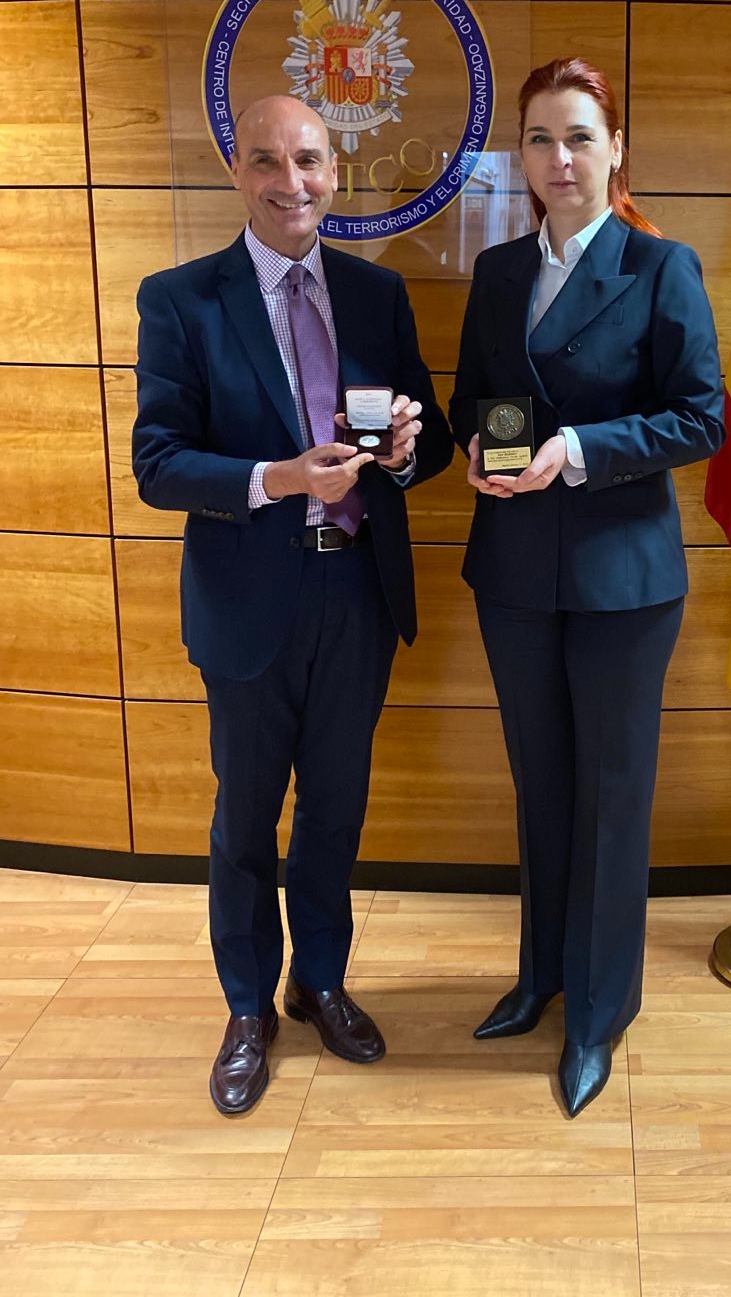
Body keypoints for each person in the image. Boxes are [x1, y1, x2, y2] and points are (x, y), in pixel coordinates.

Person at [133, 94, 454, 1116]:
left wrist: (404, 453)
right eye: (267, 161)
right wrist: (276, 477)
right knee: (245, 816)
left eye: (308, 159)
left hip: (357, 590)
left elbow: (433, 443)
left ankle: (318, 981)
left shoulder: (377, 294)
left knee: (335, 808)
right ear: (238, 171)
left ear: (334, 170)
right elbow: (158, 463)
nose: (291, 181)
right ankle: (246, 1007)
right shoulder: (182, 299)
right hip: (248, 602)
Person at [449, 58, 724, 1117]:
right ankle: (542, 978)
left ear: (616, 152)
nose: (558, 159)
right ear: (520, 156)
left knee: (610, 797)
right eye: (539, 139)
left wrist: (576, 450)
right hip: (515, 572)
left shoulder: (661, 267)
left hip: (622, 579)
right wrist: (479, 454)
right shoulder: (499, 272)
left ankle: (600, 1012)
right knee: (541, 783)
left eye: (578, 137)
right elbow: (476, 401)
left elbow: (700, 417)